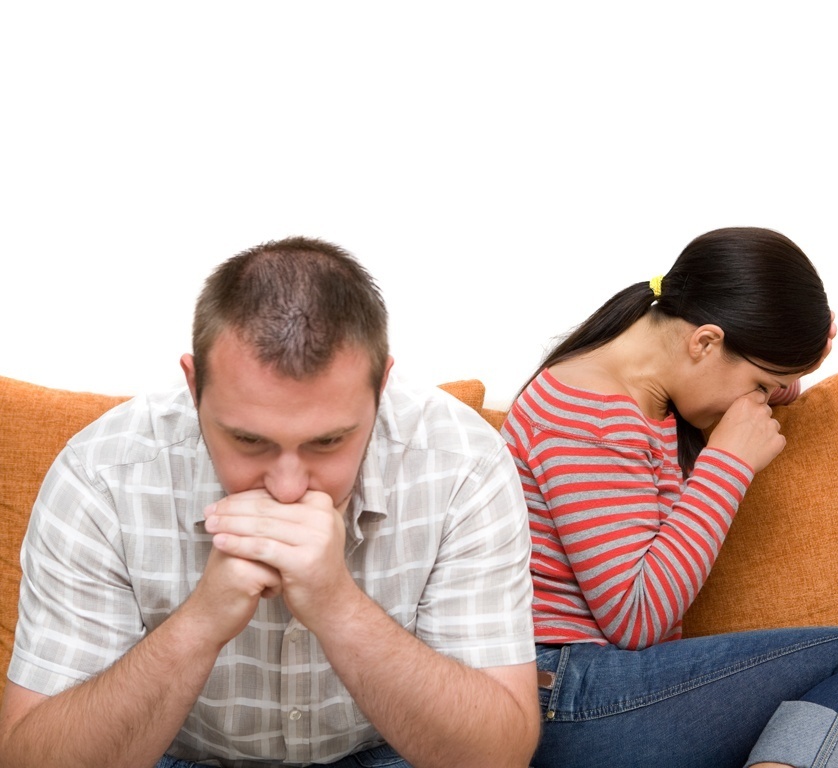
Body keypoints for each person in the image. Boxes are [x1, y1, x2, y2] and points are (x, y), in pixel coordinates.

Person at [0, 237, 540, 768]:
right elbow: (29, 758)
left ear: (380, 388)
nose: (286, 488)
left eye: (328, 442)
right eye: (248, 440)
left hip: (384, 751)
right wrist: (201, 623)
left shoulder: (465, 463)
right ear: (194, 386)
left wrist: (337, 605)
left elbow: (496, 756)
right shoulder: (100, 475)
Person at [501, 226, 838, 768]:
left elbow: (740, 374)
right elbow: (635, 618)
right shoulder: (587, 415)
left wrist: (794, 361)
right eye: (762, 385)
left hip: (604, 688)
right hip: (562, 697)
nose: (763, 401)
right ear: (705, 342)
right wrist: (728, 463)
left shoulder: (659, 382)